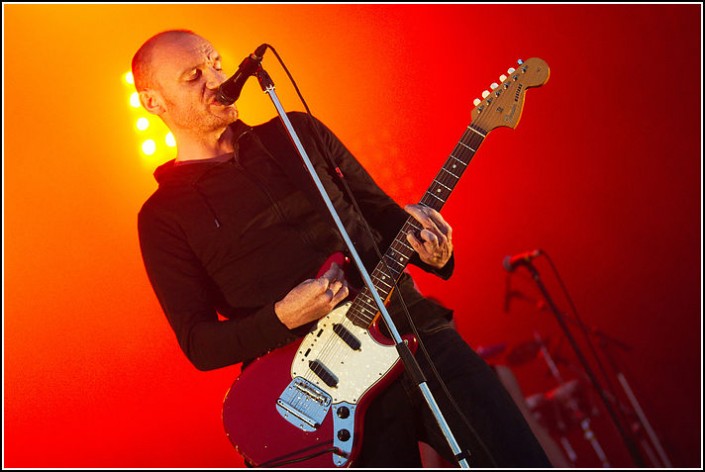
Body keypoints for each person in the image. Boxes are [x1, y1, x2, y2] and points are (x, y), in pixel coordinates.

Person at [134, 29, 552, 468]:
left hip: (414, 330)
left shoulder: (297, 132)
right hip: (327, 390)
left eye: (216, 62)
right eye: (193, 75)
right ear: (153, 102)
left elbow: (387, 220)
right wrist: (281, 317)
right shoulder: (162, 216)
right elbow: (199, 343)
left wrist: (436, 252)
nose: (216, 78)